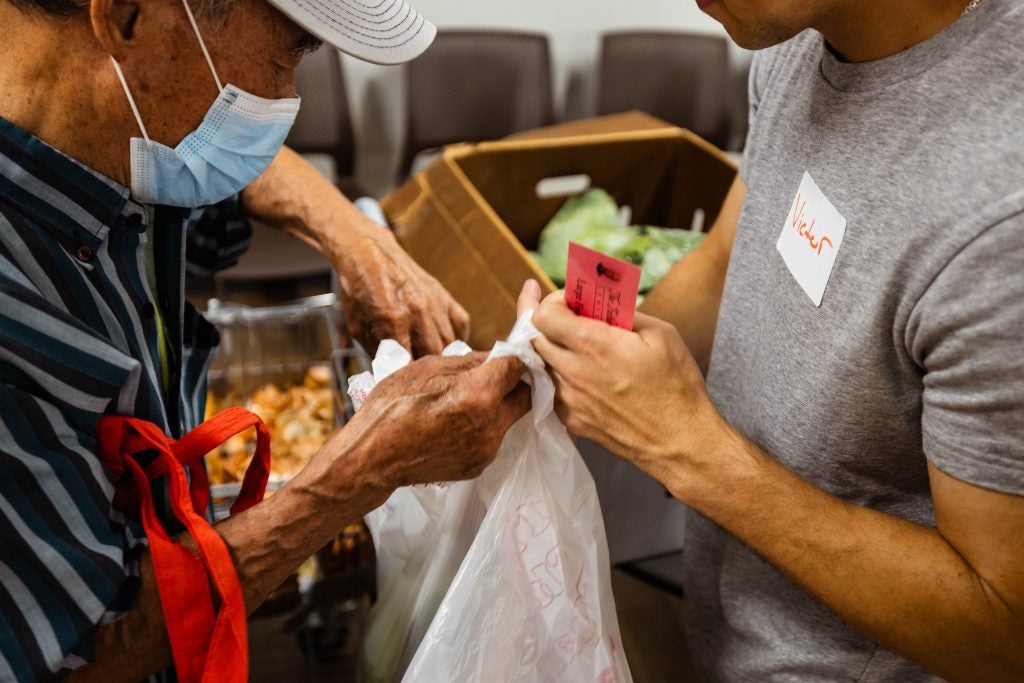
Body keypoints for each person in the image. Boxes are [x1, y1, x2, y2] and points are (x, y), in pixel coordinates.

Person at [0, 0, 529, 680]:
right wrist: (357, 475)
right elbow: (76, 654)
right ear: (130, 16)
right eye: (287, 57)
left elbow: (225, 172)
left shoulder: (111, 118)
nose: (286, 101)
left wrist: (351, 234)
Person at [519, 0, 1024, 679]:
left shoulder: (1001, 216)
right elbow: (728, 256)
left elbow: (1002, 627)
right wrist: (575, 355)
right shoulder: (800, 38)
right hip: (729, 628)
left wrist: (689, 448)